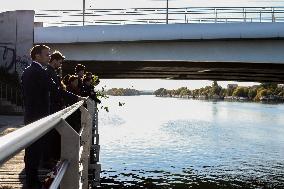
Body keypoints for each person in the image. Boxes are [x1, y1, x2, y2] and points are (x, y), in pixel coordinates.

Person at [21, 45, 84, 189]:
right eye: (47, 54)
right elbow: (56, 91)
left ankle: (32, 180)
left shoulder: (27, 71)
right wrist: (77, 98)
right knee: (35, 151)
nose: (49, 57)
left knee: (31, 150)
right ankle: (32, 182)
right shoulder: (39, 72)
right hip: (39, 116)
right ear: (37, 56)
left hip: (30, 114)